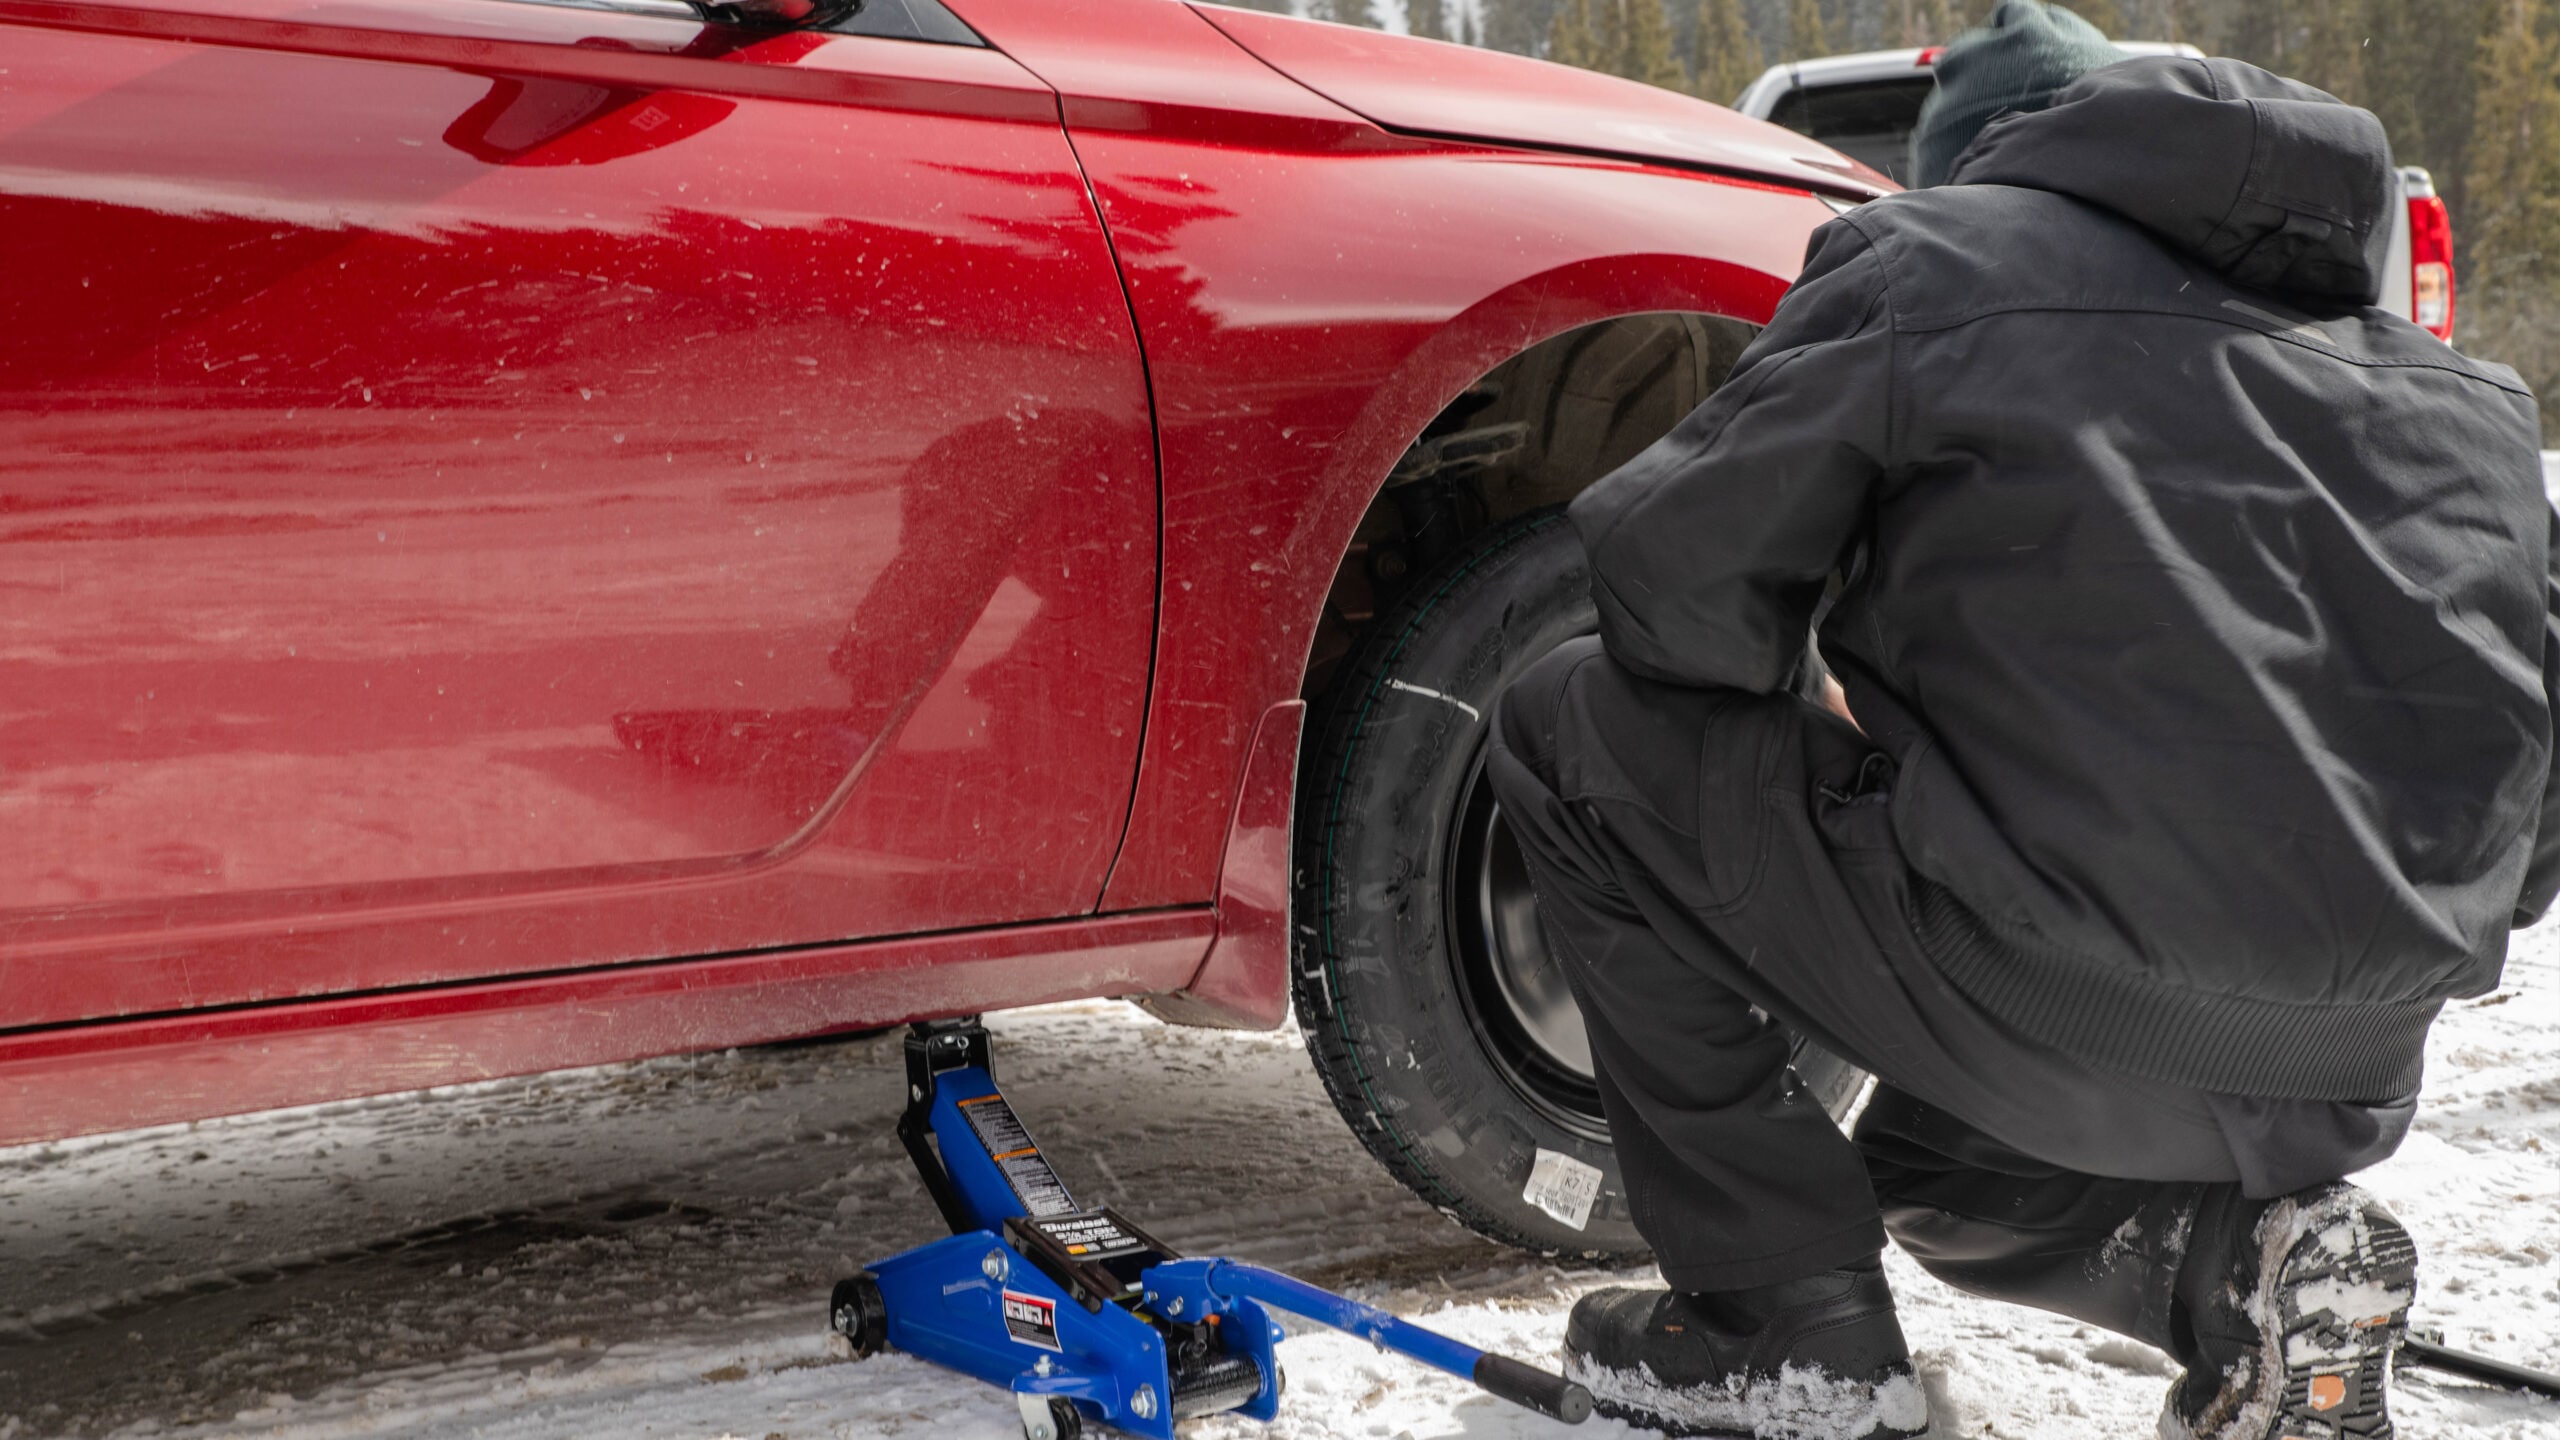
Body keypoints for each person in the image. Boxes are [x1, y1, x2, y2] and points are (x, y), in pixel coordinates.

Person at [1485, 5, 2556, 1438]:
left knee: (1572, 723)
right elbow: (2531, 806)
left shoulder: (1929, 265)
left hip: (2037, 979)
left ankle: (1775, 1320)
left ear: (1989, 161)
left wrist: (1842, 729)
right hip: (2356, 1068)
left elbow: (1674, 597)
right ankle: (2237, 1275)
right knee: (1931, 1164)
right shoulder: (2473, 401)